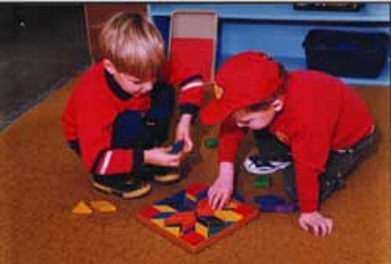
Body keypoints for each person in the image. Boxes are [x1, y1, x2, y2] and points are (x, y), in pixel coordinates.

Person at [200, 51, 377, 236]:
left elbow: (308, 166)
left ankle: (330, 175)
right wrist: (225, 176)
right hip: (301, 126)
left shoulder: (307, 119)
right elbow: (232, 126)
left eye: (246, 122)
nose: (239, 125)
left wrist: (309, 212)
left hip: (350, 142)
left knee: (297, 190)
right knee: (260, 128)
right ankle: (283, 151)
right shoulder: (269, 99)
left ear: (276, 105)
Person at [63, 12, 205, 198]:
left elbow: (193, 80)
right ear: (110, 67)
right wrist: (145, 157)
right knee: (130, 122)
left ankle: (149, 151)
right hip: (94, 145)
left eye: (153, 75)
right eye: (137, 82)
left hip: (136, 112)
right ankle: (107, 178)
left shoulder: (146, 64)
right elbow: (96, 160)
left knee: (164, 92)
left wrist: (184, 121)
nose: (149, 86)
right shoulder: (93, 97)